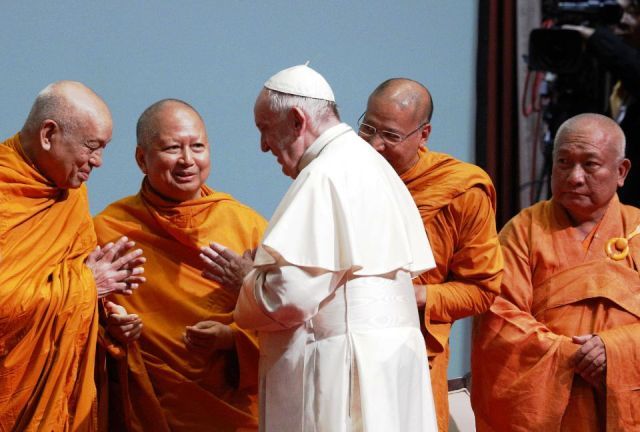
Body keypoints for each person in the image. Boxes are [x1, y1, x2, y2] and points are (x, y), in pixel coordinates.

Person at [201, 64, 438, 431]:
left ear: (297, 120)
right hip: (391, 365)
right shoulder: (369, 164)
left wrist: (248, 281)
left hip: (343, 365)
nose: (264, 145)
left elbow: (290, 299)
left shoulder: (324, 174)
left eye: (265, 130)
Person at [93, 99, 267, 431]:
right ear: (142, 159)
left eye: (197, 146)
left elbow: (290, 317)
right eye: (173, 148)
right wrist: (110, 329)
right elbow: (76, 314)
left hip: (231, 412)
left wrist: (232, 338)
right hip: (147, 409)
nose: (187, 161)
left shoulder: (247, 226)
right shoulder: (110, 230)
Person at [471, 113, 638, 430]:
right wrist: (572, 354)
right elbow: (499, 317)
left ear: (621, 171)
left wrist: (615, 350)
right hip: (549, 412)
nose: (574, 177)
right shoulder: (525, 229)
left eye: (589, 165)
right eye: (563, 162)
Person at [358, 78, 503, 431]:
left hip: (415, 360)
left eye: (390, 136)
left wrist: (416, 294)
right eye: (367, 128)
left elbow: (482, 289)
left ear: (423, 135)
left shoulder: (461, 191)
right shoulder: (345, 176)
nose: (375, 145)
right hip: (346, 354)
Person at [0, 81, 145, 431]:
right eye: (92, 148)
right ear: (49, 134)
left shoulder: (72, 196)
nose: (98, 162)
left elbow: (72, 294)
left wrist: (108, 318)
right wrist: (86, 285)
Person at [563, 0, 640, 205]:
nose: (623, 20)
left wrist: (597, 39)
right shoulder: (613, 79)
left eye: (632, 11)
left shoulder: (625, 65)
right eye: (618, 12)